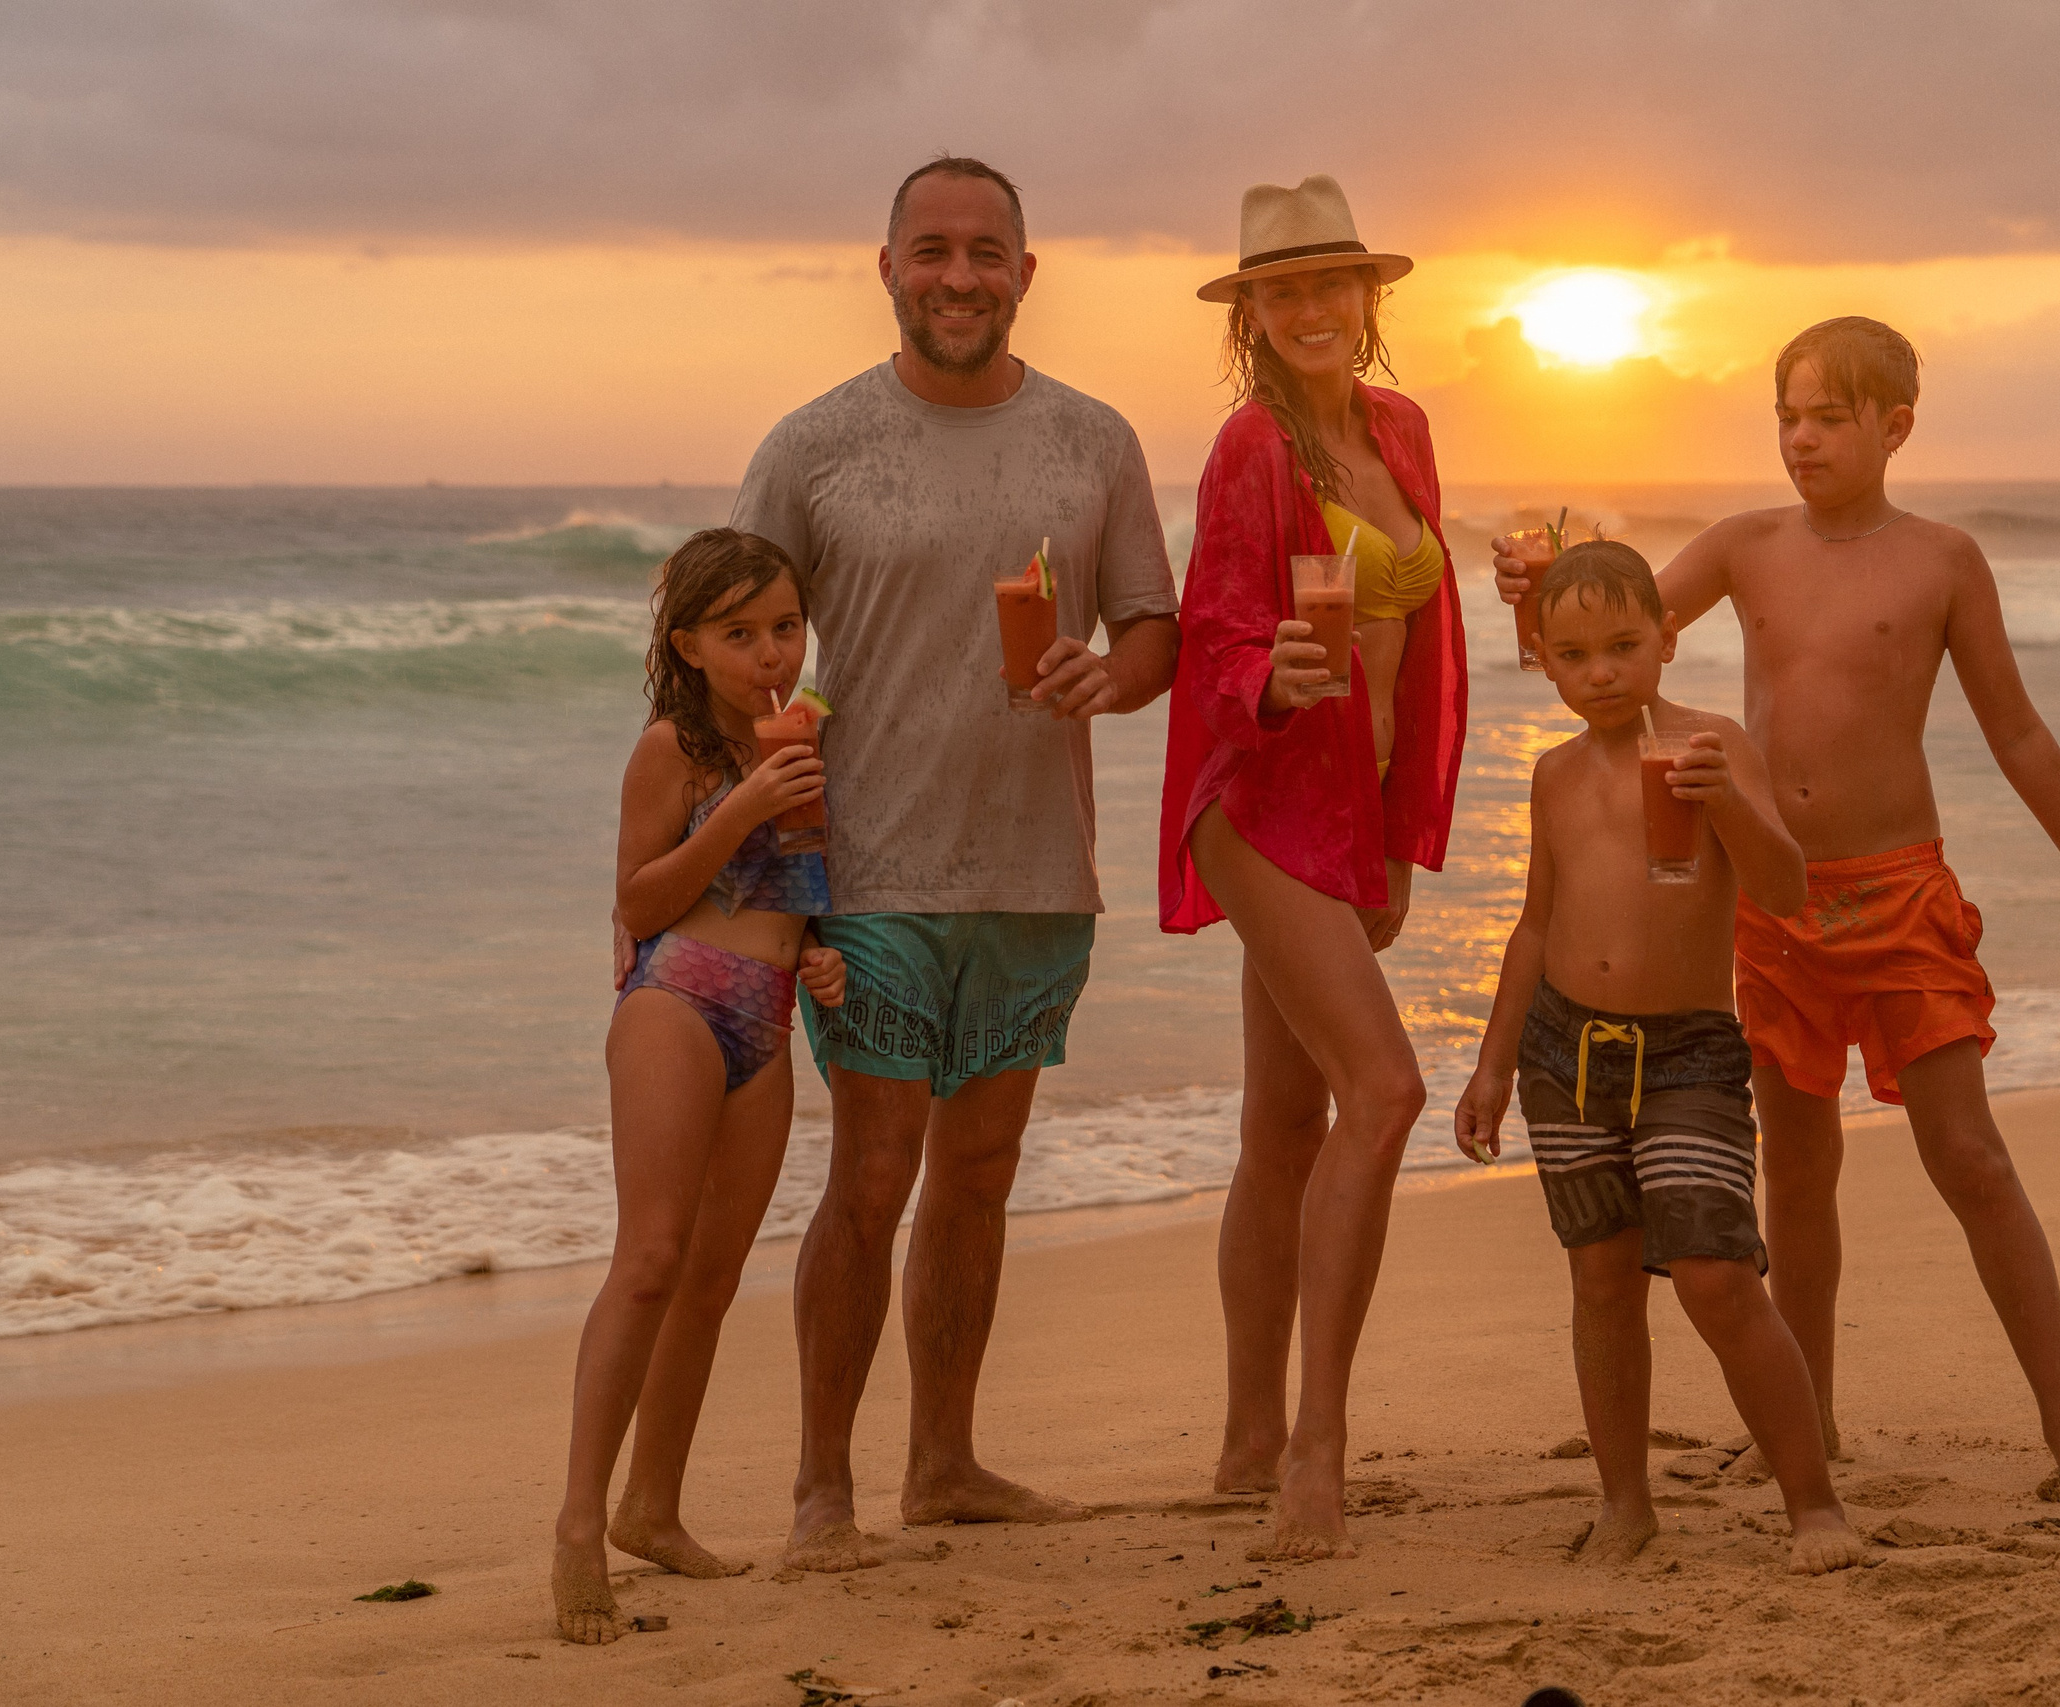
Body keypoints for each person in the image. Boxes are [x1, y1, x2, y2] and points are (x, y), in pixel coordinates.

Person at [1488, 317, 2060, 1503]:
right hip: (1773, 907)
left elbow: (2016, 730)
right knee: (1795, 1175)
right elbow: (1604, 629)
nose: (1801, 437)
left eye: (1827, 416)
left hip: (1898, 897)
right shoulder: (1746, 547)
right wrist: (1532, 587)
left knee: (1970, 1157)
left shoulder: (1942, 561)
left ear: (1893, 427)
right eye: (1785, 415)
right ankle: (1816, 1418)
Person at [726, 156, 1181, 1575]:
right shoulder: (815, 447)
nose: (960, 276)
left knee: (980, 1176)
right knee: (871, 1178)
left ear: (1028, 274)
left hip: (1041, 873)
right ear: (887, 268)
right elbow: (732, 652)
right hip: (868, 873)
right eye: (933, 250)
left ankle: (945, 1462)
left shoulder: (1094, 441)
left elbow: (1153, 625)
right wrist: (744, 861)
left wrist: (1112, 678)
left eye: (988, 252)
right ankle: (819, 1489)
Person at [1157, 174, 1468, 1560]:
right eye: (1279, 291)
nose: (1307, 309)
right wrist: (1268, 676)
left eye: (1329, 284)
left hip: (1353, 811)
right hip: (1266, 799)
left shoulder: (1401, 431)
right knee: (1386, 1089)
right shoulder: (1250, 447)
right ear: (1253, 317)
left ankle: (1240, 1436)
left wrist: (1405, 829)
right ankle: (1314, 1449)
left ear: (1369, 298)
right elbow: (1213, 627)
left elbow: (1430, 636)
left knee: (1284, 1129)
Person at [1454, 541, 1866, 1574]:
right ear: (1542, 662)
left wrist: (1725, 796)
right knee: (1599, 1280)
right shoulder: (1551, 776)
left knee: (1717, 1277)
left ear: (1668, 642)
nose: (1601, 672)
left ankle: (1812, 1504)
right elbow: (1534, 928)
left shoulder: (1712, 746)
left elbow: (1781, 888)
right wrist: (1494, 1064)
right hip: (1566, 1053)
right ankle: (1624, 1502)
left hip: (1685, 1052)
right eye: (1575, 654)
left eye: (1624, 647)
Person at [556, 528, 850, 1644]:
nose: (770, 649)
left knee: (715, 1280)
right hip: (675, 1000)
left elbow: (799, 889)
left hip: (767, 1015)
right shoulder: (670, 748)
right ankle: (579, 1525)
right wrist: (737, 803)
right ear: (688, 643)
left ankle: (653, 1509)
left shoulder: (811, 735)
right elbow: (640, 903)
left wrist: (817, 950)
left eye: (784, 625)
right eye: (740, 633)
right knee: (650, 1262)